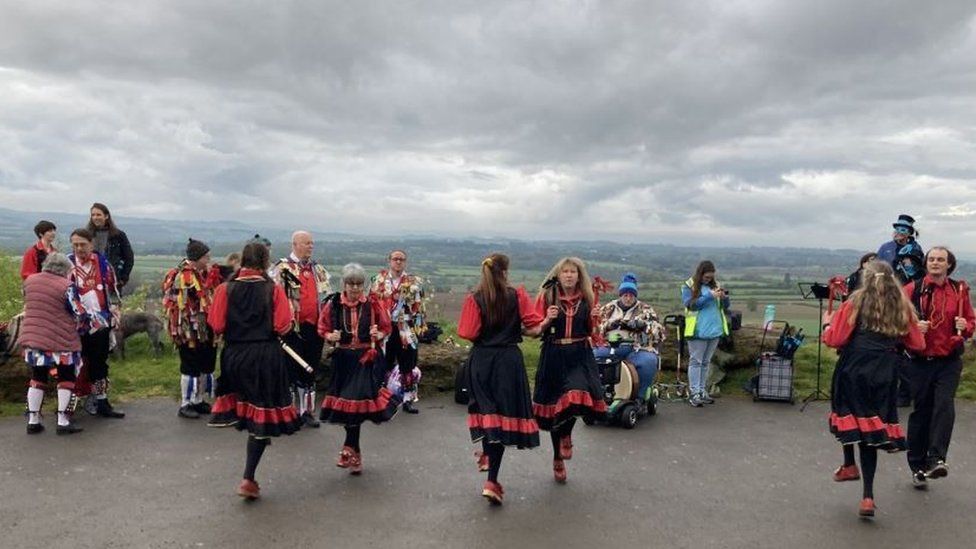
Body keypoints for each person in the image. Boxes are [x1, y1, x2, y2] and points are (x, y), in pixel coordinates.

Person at [823, 260, 925, 517]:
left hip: (854, 366)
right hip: (886, 370)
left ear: (865, 279)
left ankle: (849, 465)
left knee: (846, 415)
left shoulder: (854, 304)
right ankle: (867, 496)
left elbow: (835, 339)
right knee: (870, 427)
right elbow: (918, 344)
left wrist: (827, 324)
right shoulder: (902, 307)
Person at [207, 242, 301, 500]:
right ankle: (248, 477)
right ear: (265, 261)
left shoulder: (225, 289)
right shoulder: (273, 290)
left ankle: (255, 450)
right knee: (261, 414)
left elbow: (215, 324)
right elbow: (283, 326)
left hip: (235, 355)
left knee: (247, 407)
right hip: (264, 356)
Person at [457, 253, 544, 505]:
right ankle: (492, 480)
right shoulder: (517, 295)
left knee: (487, 413)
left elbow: (467, 332)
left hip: (481, 361)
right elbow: (535, 327)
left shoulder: (474, 298)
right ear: (505, 272)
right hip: (508, 362)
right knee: (502, 420)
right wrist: (544, 321)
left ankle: (486, 456)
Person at [902, 246, 974, 489]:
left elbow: (970, 323)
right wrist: (913, 327)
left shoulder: (959, 290)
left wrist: (967, 325)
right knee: (921, 412)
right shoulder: (913, 289)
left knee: (944, 406)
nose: (935, 263)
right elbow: (897, 319)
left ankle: (936, 459)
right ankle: (917, 467)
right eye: (931, 259)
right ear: (926, 263)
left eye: (940, 260)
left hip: (948, 361)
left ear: (949, 265)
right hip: (920, 361)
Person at [317, 263, 399, 476]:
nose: (355, 288)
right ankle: (356, 454)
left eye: (359, 284)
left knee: (353, 401)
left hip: (365, 359)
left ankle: (347, 449)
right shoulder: (333, 304)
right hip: (343, 360)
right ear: (343, 284)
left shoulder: (372, 304)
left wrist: (378, 335)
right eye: (351, 284)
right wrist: (329, 337)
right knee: (349, 408)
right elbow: (322, 327)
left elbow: (387, 326)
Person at [531, 257, 606, 484]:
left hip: (579, 354)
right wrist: (547, 319)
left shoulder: (587, 297)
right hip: (554, 354)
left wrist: (595, 321)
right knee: (556, 409)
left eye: (573, 272)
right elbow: (534, 329)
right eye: (565, 272)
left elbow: (594, 333)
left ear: (579, 275)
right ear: (559, 274)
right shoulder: (547, 296)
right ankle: (557, 457)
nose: (569, 275)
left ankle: (567, 434)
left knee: (576, 396)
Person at [18, 253, 93, 435]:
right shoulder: (66, 286)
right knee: (66, 379)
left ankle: (33, 420)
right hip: (62, 340)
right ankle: (63, 420)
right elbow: (78, 311)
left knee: (37, 378)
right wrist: (85, 326)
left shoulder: (30, 282)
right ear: (65, 270)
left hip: (34, 337)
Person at [271, 231, 332, 428]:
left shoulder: (318, 269)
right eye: (307, 243)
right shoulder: (282, 268)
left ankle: (307, 412)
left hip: (314, 327)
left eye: (312, 243)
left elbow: (327, 298)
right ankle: (289, 412)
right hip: (291, 328)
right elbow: (273, 298)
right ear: (295, 244)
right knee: (290, 370)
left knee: (310, 370)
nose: (311, 246)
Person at [67, 228, 124, 418]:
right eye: (75, 244)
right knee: (74, 364)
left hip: (100, 324)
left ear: (91, 244)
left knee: (99, 363)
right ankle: (68, 406)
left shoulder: (103, 263)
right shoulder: (66, 264)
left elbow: (113, 290)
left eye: (83, 244)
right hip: (73, 324)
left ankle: (101, 401)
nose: (79, 248)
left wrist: (114, 314)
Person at [162, 239, 217, 419]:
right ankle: (185, 404)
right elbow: (183, 305)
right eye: (206, 256)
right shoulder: (183, 276)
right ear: (197, 257)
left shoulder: (201, 273)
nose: (208, 259)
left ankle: (198, 399)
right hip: (187, 328)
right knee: (190, 365)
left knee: (203, 364)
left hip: (202, 328)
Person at [594, 273, 665, 406]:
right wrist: (610, 325)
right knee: (593, 356)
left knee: (648, 361)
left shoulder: (645, 310)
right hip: (610, 346)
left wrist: (643, 325)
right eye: (625, 295)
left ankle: (639, 397)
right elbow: (596, 327)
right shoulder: (609, 308)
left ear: (635, 296)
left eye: (631, 295)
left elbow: (659, 332)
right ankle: (599, 394)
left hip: (636, 348)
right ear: (620, 295)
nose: (628, 298)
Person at [371, 249, 427, 414]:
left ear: (405, 262)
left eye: (401, 259)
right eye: (395, 259)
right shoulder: (377, 280)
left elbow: (419, 307)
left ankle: (408, 399)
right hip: (384, 329)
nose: (398, 262)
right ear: (389, 260)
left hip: (405, 329)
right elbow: (371, 305)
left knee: (408, 365)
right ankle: (382, 397)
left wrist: (419, 328)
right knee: (383, 363)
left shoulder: (414, 282)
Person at [680, 260, 731, 407]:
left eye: (711, 277)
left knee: (706, 362)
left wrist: (724, 298)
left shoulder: (715, 286)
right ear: (700, 273)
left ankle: (702, 390)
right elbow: (691, 305)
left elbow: (725, 307)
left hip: (714, 330)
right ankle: (694, 392)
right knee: (696, 361)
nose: (708, 280)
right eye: (706, 277)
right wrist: (709, 296)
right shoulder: (688, 286)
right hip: (698, 330)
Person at [87, 203, 135, 290]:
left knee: (112, 303)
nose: (95, 217)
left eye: (98, 215)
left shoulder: (118, 235)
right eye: (93, 215)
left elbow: (129, 258)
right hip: (90, 279)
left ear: (106, 216)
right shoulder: (87, 235)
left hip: (112, 279)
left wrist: (123, 278)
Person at [877, 214, 924, 286]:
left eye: (903, 230)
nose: (899, 232)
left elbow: (921, 269)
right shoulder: (885, 247)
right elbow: (876, 265)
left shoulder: (915, 248)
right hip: (887, 286)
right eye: (897, 229)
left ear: (909, 233)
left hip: (908, 287)